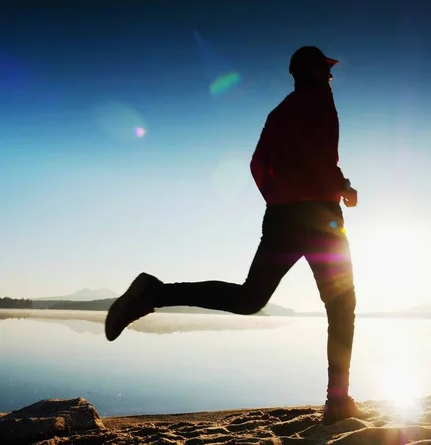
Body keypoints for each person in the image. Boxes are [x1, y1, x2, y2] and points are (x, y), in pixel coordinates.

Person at [104, 45, 365, 425]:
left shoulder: (278, 114)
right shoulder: (321, 102)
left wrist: (278, 200)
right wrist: (343, 186)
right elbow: (319, 157)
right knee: (342, 307)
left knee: (249, 298)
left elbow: (257, 163)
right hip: (320, 217)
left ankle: (155, 292)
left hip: (282, 218)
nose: (331, 76)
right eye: (327, 70)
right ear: (314, 72)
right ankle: (337, 401)